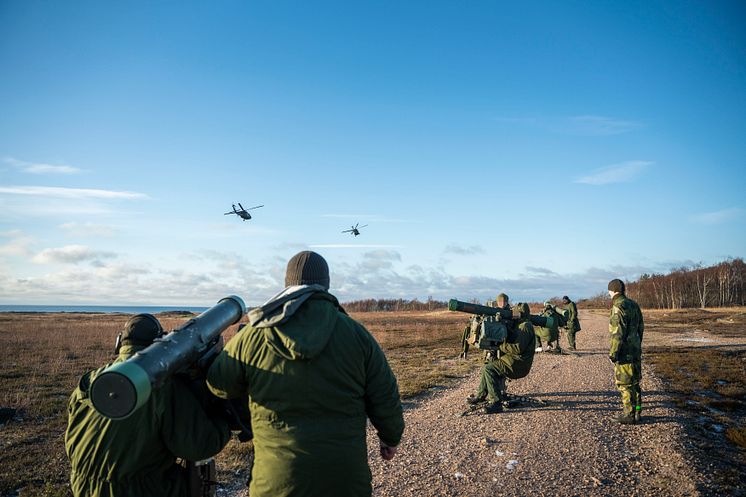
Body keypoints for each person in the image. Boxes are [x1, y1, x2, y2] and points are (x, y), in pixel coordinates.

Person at [207, 251, 405, 497]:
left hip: (277, 482)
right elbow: (385, 396)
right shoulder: (356, 334)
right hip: (344, 480)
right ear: (326, 284)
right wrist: (390, 438)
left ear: (287, 284)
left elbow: (218, 385)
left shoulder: (253, 336)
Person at [65, 314, 231, 497]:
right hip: (135, 490)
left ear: (120, 343)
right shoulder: (162, 387)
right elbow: (199, 446)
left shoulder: (92, 379)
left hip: (81, 485)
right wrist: (223, 417)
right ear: (160, 344)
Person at [467, 298, 536, 414]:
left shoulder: (525, 326)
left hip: (518, 363)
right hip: (514, 360)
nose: (513, 314)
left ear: (520, 313)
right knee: (488, 366)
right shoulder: (520, 324)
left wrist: (500, 345)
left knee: (489, 369)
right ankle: (480, 396)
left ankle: (496, 403)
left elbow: (517, 348)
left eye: (515, 312)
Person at [607, 279, 645, 424]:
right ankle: (637, 412)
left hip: (624, 352)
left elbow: (618, 333)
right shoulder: (634, 305)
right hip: (635, 349)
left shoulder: (618, 306)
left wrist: (613, 353)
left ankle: (629, 414)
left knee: (625, 384)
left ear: (612, 291)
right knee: (635, 381)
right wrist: (637, 344)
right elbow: (641, 327)